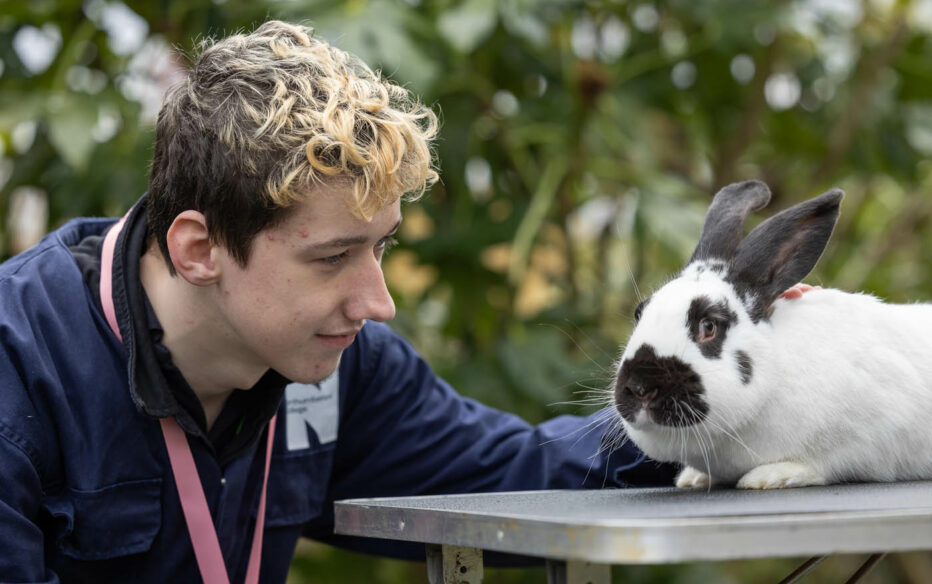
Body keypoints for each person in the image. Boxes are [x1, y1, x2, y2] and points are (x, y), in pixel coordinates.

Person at [0, 20, 675, 583]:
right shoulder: (21, 373)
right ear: (198, 251)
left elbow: (531, 479)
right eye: (332, 258)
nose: (377, 303)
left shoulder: (340, 366)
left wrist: (738, 392)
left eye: (381, 247)